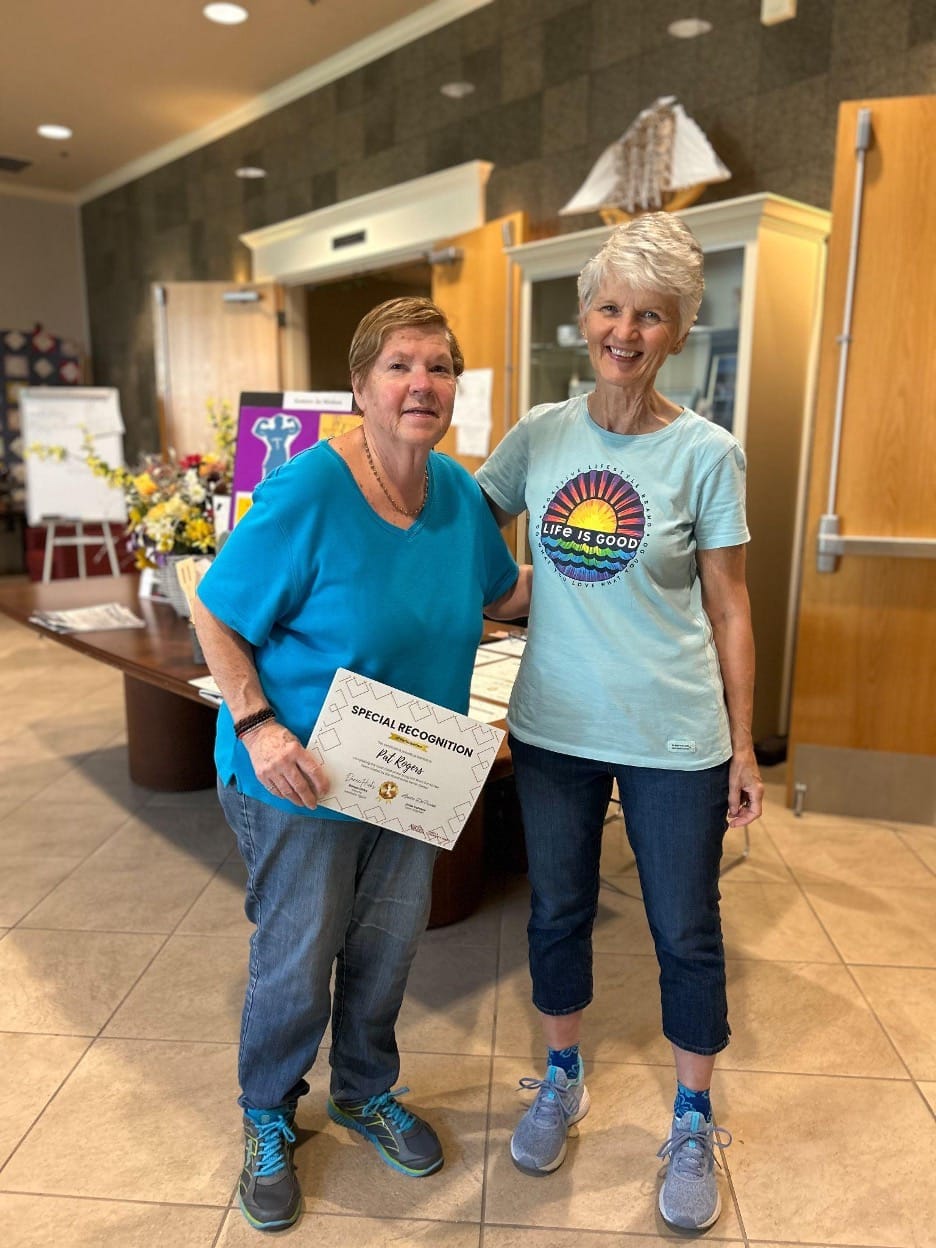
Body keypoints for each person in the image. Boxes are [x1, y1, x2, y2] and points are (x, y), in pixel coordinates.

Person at [193, 296, 529, 1234]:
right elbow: (216, 610)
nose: (421, 384)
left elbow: (507, 596)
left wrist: (609, 572)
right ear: (360, 387)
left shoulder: (458, 493)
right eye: (399, 365)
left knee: (386, 947)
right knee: (298, 956)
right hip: (301, 772)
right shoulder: (308, 491)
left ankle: (364, 1089)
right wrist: (259, 726)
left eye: (439, 367)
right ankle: (268, 1112)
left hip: (409, 773)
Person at [476, 213, 763, 1231]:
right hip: (553, 726)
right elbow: (462, 537)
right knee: (554, 910)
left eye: (650, 314)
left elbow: (729, 607)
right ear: (583, 318)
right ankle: (562, 1076)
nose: (625, 330)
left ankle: (692, 1115)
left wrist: (742, 744)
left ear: (678, 329)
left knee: (684, 928)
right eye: (609, 307)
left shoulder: (707, 452)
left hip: (674, 734)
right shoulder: (539, 434)